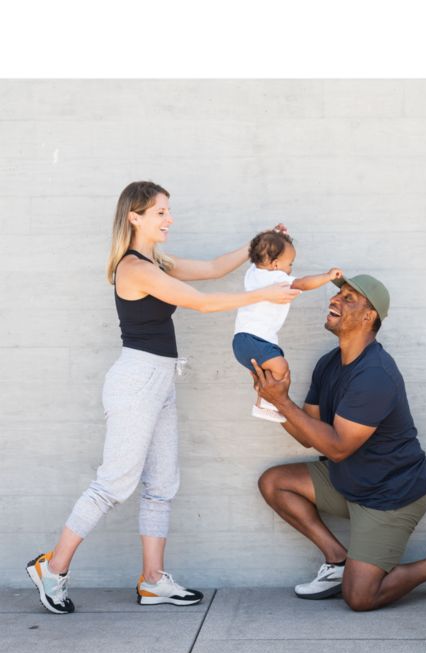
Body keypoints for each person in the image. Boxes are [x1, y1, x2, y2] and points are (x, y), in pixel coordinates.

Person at [26, 180, 301, 615]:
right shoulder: (134, 268)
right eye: (160, 212)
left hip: (161, 378)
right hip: (137, 380)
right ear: (134, 217)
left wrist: (258, 246)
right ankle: (52, 567)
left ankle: (152, 580)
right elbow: (200, 303)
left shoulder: (158, 262)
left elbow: (213, 268)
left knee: (161, 485)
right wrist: (262, 293)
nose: (169, 218)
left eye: (168, 211)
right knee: (114, 483)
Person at [254, 274, 426, 611]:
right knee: (274, 482)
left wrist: (283, 403)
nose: (334, 300)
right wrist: (271, 400)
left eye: (349, 298)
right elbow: (308, 436)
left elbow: (337, 448)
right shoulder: (328, 364)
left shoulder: (375, 374)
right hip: (348, 481)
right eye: (338, 295)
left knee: (361, 597)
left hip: (390, 495)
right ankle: (337, 560)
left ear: (369, 316)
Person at [232, 228, 342, 422]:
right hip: (255, 339)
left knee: (271, 372)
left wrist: (273, 235)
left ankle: (263, 401)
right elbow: (303, 283)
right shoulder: (277, 277)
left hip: (242, 340)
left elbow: (260, 252)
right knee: (281, 368)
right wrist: (327, 276)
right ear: (275, 264)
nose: (291, 269)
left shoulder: (252, 273)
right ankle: (265, 405)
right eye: (290, 264)